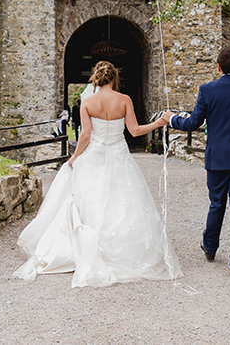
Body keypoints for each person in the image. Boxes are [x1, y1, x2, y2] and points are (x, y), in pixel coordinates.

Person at [14, 61, 182, 287]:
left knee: (92, 199)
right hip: (120, 156)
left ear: (96, 79)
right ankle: (124, 249)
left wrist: (74, 158)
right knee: (123, 201)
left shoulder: (88, 102)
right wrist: (160, 122)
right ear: (114, 79)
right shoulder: (124, 100)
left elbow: (85, 136)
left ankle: (88, 248)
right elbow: (134, 131)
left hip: (95, 156)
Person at [162, 46, 230, 281]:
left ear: (218, 67)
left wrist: (171, 119)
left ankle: (210, 248)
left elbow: (193, 124)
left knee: (216, 203)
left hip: (217, 158)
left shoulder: (207, 90)